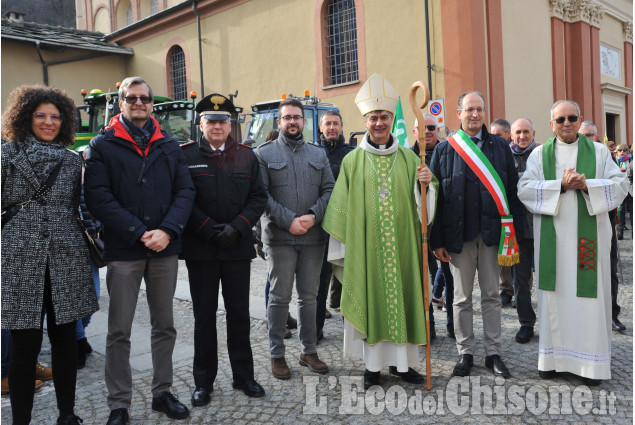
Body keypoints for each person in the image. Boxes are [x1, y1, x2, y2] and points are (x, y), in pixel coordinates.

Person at [85, 76, 195, 424]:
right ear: (121, 102)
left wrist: (167, 230)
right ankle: (119, 403)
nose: (138, 103)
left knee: (165, 326)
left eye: (144, 99)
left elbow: (185, 191)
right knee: (119, 330)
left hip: (165, 247)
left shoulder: (169, 145)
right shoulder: (103, 146)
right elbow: (98, 197)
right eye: (131, 98)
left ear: (151, 104)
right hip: (124, 249)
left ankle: (162, 393)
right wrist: (138, 231)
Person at [322, 73, 438, 389]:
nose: (379, 123)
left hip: (402, 249)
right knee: (372, 298)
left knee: (403, 298)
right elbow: (340, 209)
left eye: (384, 116)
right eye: (373, 117)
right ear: (366, 119)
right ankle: (372, 368)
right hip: (367, 251)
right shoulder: (353, 162)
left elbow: (424, 206)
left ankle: (403, 366)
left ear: (391, 120)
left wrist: (425, 186)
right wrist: (346, 248)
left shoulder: (410, 159)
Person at [1, 85, 100, 425]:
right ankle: (20, 420)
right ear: (26, 116)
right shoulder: (5, 154)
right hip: (18, 258)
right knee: (25, 345)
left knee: (65, 341)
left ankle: (67, 414)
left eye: (56, 116)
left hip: (66, 257)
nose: (48, 122)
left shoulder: (73, 161)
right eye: (41, 115)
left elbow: (77, 207)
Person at [518, 100, 628, 386]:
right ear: (550, 123)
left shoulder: (601, 152)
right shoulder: (539, 155)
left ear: (580, 121)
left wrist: (588, 184)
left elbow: (620, 185)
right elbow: (524, 189)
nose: (566, 123)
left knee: (589, 300)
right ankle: (553, 361)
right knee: (554, 297)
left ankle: (590, 366)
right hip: (552, 243)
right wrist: (561, 186)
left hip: (588, 244)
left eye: (572, 118)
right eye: (560, 119)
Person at [180, 93, 267, 405]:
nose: (217, 126)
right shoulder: (186, 156)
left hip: (237, 248)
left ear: (230, 125)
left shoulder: (247, 156)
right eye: (211, 121)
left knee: (239, 315)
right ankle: (203, 381)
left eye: (222, 121)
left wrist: (238, 227)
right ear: (201, 124)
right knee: (204, 317)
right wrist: (206, 229)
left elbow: (258, 197)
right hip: (201, 250)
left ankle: (244, 377)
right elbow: (182, 197)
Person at [429, 91, 524, 378]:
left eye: (479, 109)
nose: (474, 115)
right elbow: (437, 198)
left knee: (492, 296)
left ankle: (493, 352)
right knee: (460, 298)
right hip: (458, 238)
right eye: (469, 109)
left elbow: (511, 190)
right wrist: (437, 240)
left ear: (484, 112)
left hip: (492, 234)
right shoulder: (444, 149)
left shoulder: (499, 147)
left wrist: (513, 233)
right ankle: (465, 353)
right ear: (458, 113)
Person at [255, 98, 334, 380]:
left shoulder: (318, 154)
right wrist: (289, 221)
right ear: (279, 122)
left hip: (313, 237)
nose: (292, 122)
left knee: (310, 298)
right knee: (279, 298)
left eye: (297, 117)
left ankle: (308, 351)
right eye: (287, 117)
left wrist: (313, 216)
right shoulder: (263, 153)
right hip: (279, 238)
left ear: (304, 122)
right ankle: (277, 355)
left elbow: (329, 189)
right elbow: (261, 195)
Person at [580, 121, 626, 332]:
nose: (587, 139)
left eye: (591, 135)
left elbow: (619, 184)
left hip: (603, 220)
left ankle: (612, 314)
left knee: (610, 269)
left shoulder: (604, 156)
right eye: (584, 135)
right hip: (578, 223)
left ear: (597, 137)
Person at [316, 111, 355, 341]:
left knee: (348, 278)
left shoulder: (352, 155)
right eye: (327, 124)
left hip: (347, 226)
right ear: (321, 127)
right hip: (320, 226)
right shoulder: (312, 153)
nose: (332, 127)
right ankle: (316, 327)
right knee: (319, 281)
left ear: (342, 126)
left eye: (335, 123)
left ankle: (351, 327)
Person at [411, 114, 451, 339]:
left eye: (432, 127)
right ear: (414, 131)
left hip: (444, 230)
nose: (427, 131)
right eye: (422, 127)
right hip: (418, 231)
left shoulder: (449, 152)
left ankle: (453, 326)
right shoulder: (406, 157)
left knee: (449, 281)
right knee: (422, 282)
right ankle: (428, 327)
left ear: (438, 130)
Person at [508, 118, 538, 343]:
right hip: (517, 228)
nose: (522, 136)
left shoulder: (542, 154)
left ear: (533, 133)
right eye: (518, 132)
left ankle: (550, 321)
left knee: (549, 277)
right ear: (511, 134)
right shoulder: (505, 156)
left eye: (526, 132)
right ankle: (526, 323)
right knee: (520, 279)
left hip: (542, 224)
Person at [491, 119, 514, 307]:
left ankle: (522, 291)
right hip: (499, 214)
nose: (494, 138)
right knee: (504, 256)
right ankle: (506, 289)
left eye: (498, 135)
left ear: (508, 135)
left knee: (520, 259)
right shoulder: (489, 153)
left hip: (517, 212)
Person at [615, 143, 632, 240]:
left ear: (627, 152)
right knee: (620, 210)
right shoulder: (613, 161)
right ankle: (620, 230)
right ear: (617, 152)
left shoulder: (630, 160)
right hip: (619, 188)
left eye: (624, 150)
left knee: (631, 210)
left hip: (629, 188)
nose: (622, 152)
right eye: (620, 150)